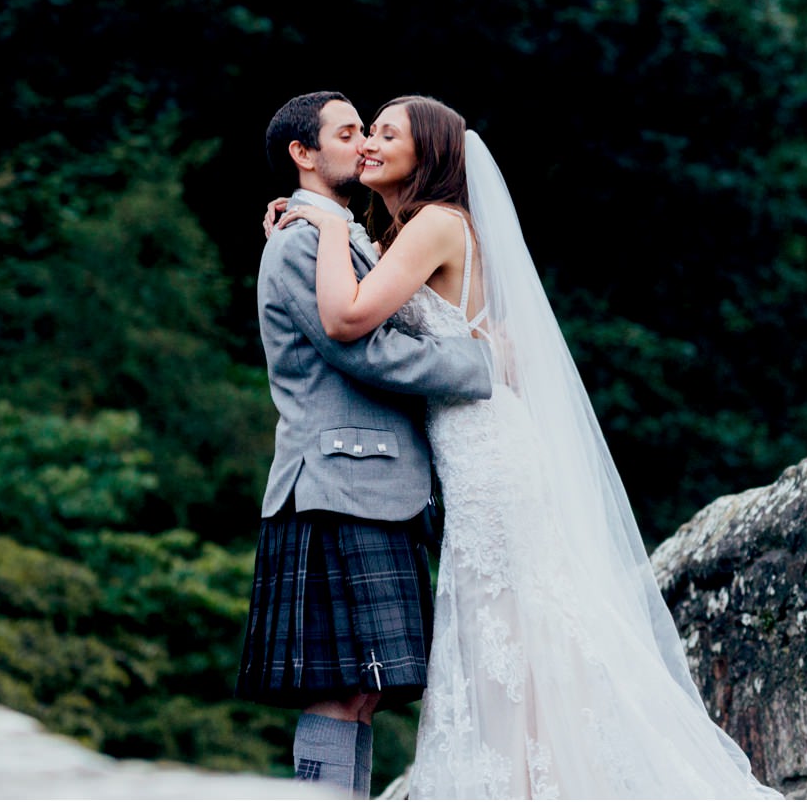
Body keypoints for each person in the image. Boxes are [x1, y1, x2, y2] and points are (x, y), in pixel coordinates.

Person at [272, 95, 779, 799]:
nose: (370, 145)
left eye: (388, 134)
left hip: (488, 458)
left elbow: (351, 315)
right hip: (467, 452)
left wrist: (322, 223)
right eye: (364, 132)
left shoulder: (433, 226)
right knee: (508, 634)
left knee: (514, 629)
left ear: (431, 154)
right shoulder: (399, 237)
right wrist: (327, 227)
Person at [237, 91, 496, 798]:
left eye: (371, 132)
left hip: (372, 484)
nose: (363, 144)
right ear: (304, 154)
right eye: (347, 133)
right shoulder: (301, 238)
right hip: (337, 484)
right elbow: (364, 352)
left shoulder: (338, 231)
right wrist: (483, 366)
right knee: (338, 686)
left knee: (363, 691)